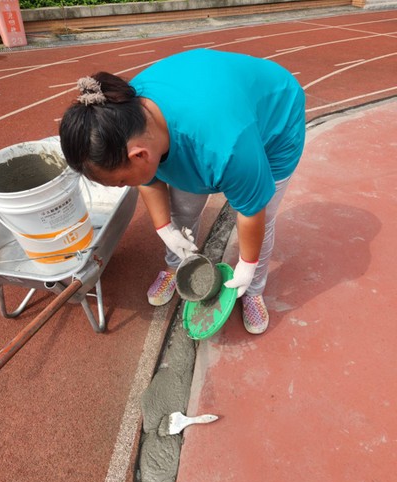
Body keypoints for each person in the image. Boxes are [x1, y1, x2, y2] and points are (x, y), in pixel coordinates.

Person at [59, 49, 305, 335]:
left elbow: (252, 212)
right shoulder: (123, 113)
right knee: (183, 209)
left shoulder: (226, 147)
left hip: (275, 122)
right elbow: (149, 180)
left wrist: (247, 266)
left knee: (263, 214)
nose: (125, 186)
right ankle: (177, 267)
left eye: (122, 182)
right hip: (212, 113)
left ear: (139, 155)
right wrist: (165, 229)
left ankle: (253, 289)